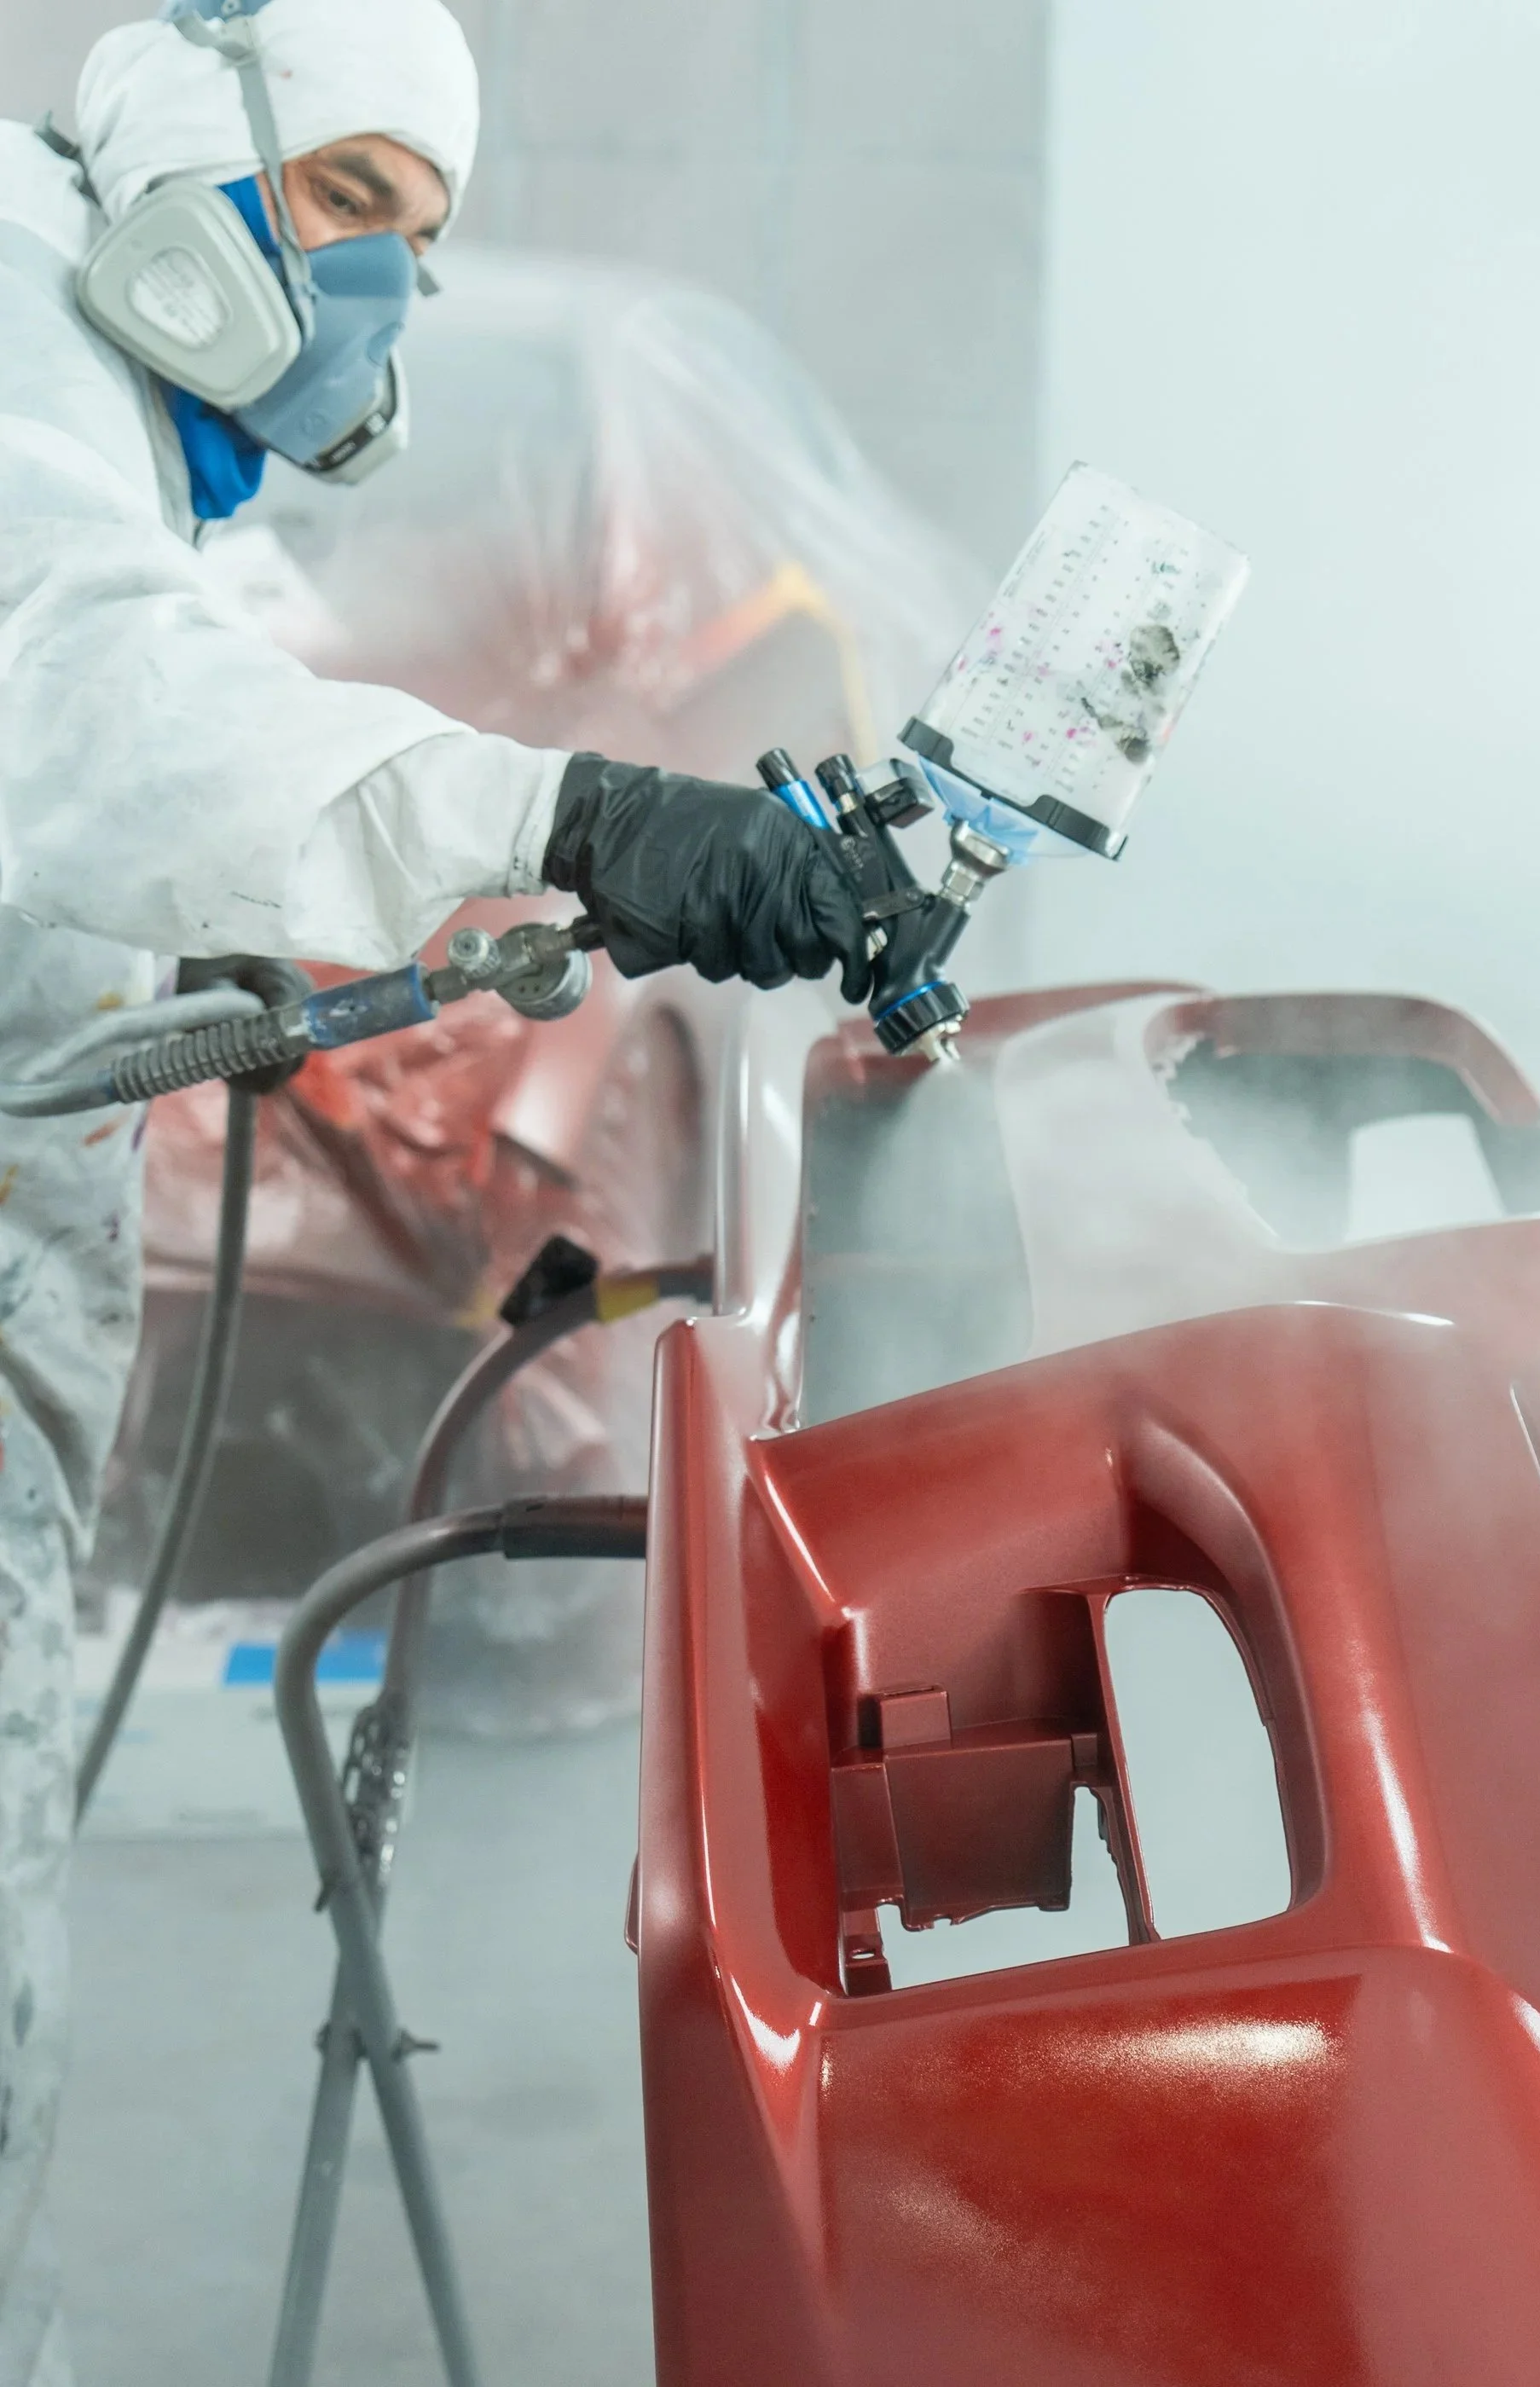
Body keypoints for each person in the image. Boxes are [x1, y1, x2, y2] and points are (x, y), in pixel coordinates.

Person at [0, 2, 868, 2372]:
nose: (378, 288)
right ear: (185, 141)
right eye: (350, 203)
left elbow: (142, 702)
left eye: (416, 235)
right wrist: (570, 809)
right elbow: (82, 704)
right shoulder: (13, 319)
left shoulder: (95, 406)